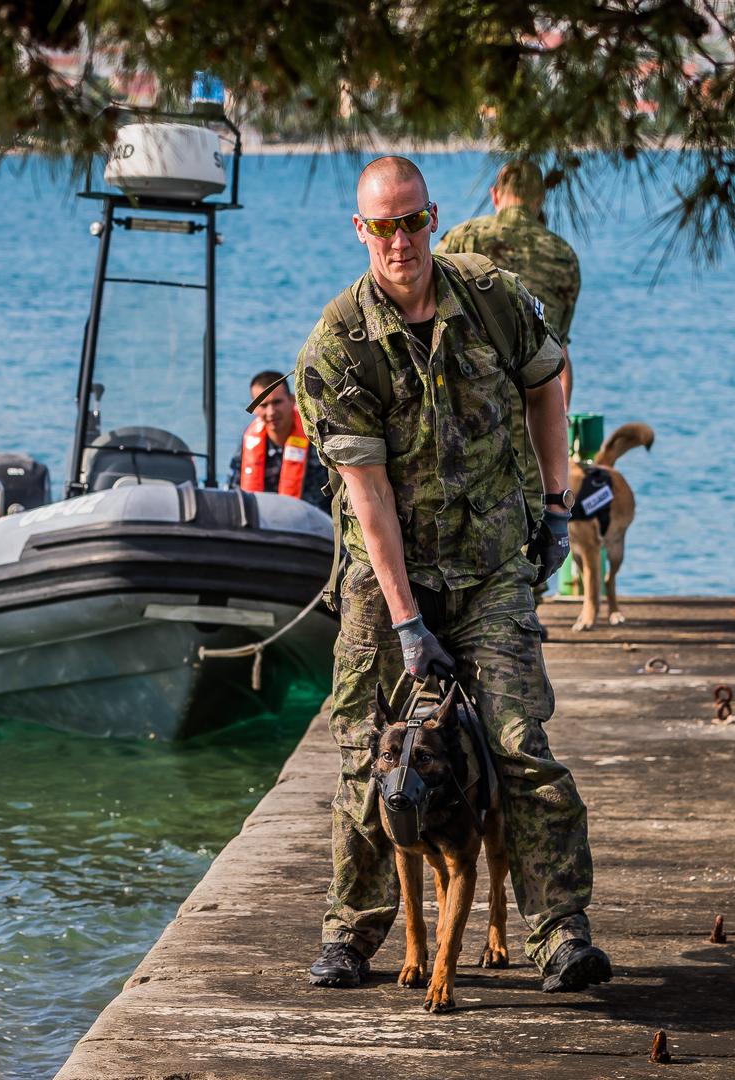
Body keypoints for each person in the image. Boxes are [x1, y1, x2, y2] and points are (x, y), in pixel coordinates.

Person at [294, 155, 611, 994]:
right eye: (381, 226)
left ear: (433, 217)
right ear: (359, 231)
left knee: (519, 745)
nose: (400, 241)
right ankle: (352, 934)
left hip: (488, 566)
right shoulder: (337, 347)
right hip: (385, 575)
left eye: (412, 221)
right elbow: (368, 500)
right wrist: (406, 624)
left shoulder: (492, 297)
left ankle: (558, 930)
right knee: (368, 756)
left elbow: (547, 386)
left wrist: (551, 509)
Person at [435, 160, 580, 404]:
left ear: (494, 194)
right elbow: (558, 348)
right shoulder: (564, 256)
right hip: (534, 411)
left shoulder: (462, 239)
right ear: (541, 199)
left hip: (473, 409)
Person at [228, 369, 331, 513]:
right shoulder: (247, 445)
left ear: (292, 400)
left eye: (277, 402)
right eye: (263, 405)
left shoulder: (317, 440)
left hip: (311, 525)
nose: (271, 412)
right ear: (255, 408)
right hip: (262, 526)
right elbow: (234, 492)